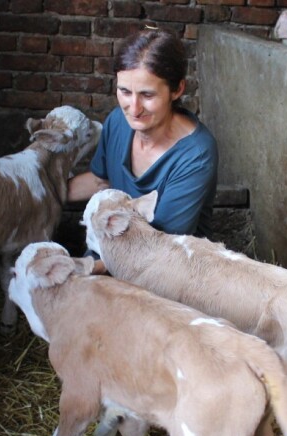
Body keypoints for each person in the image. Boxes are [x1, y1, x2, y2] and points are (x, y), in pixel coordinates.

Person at [68, 28, 219, 269]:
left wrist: (82, 269)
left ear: (177, 89)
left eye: (147, 95)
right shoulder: (117, 122)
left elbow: (162, 247)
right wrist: (37, 194)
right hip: (109, 250)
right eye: (125, 91)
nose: (134, 108)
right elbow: (100, 181)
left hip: (169, 270)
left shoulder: (196, 154)